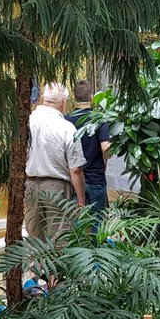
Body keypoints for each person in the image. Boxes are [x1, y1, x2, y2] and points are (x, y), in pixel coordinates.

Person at [24, 83, 86, 240]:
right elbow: (76, 169)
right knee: (59, 238)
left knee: (35, 239)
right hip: (57, 187)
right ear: (64, 103)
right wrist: (81, 201)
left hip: (30, 185)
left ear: (42, 99)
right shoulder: (67, 128)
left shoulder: (27, 121)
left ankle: (35, 258)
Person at [65, 80, 111, 222]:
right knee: (97, 221)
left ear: (74, 97)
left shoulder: (66, 120)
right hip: (95, 178)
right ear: (92, 96)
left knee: (77, 222)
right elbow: (106, 148)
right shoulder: (99, 119)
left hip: (73, 179)